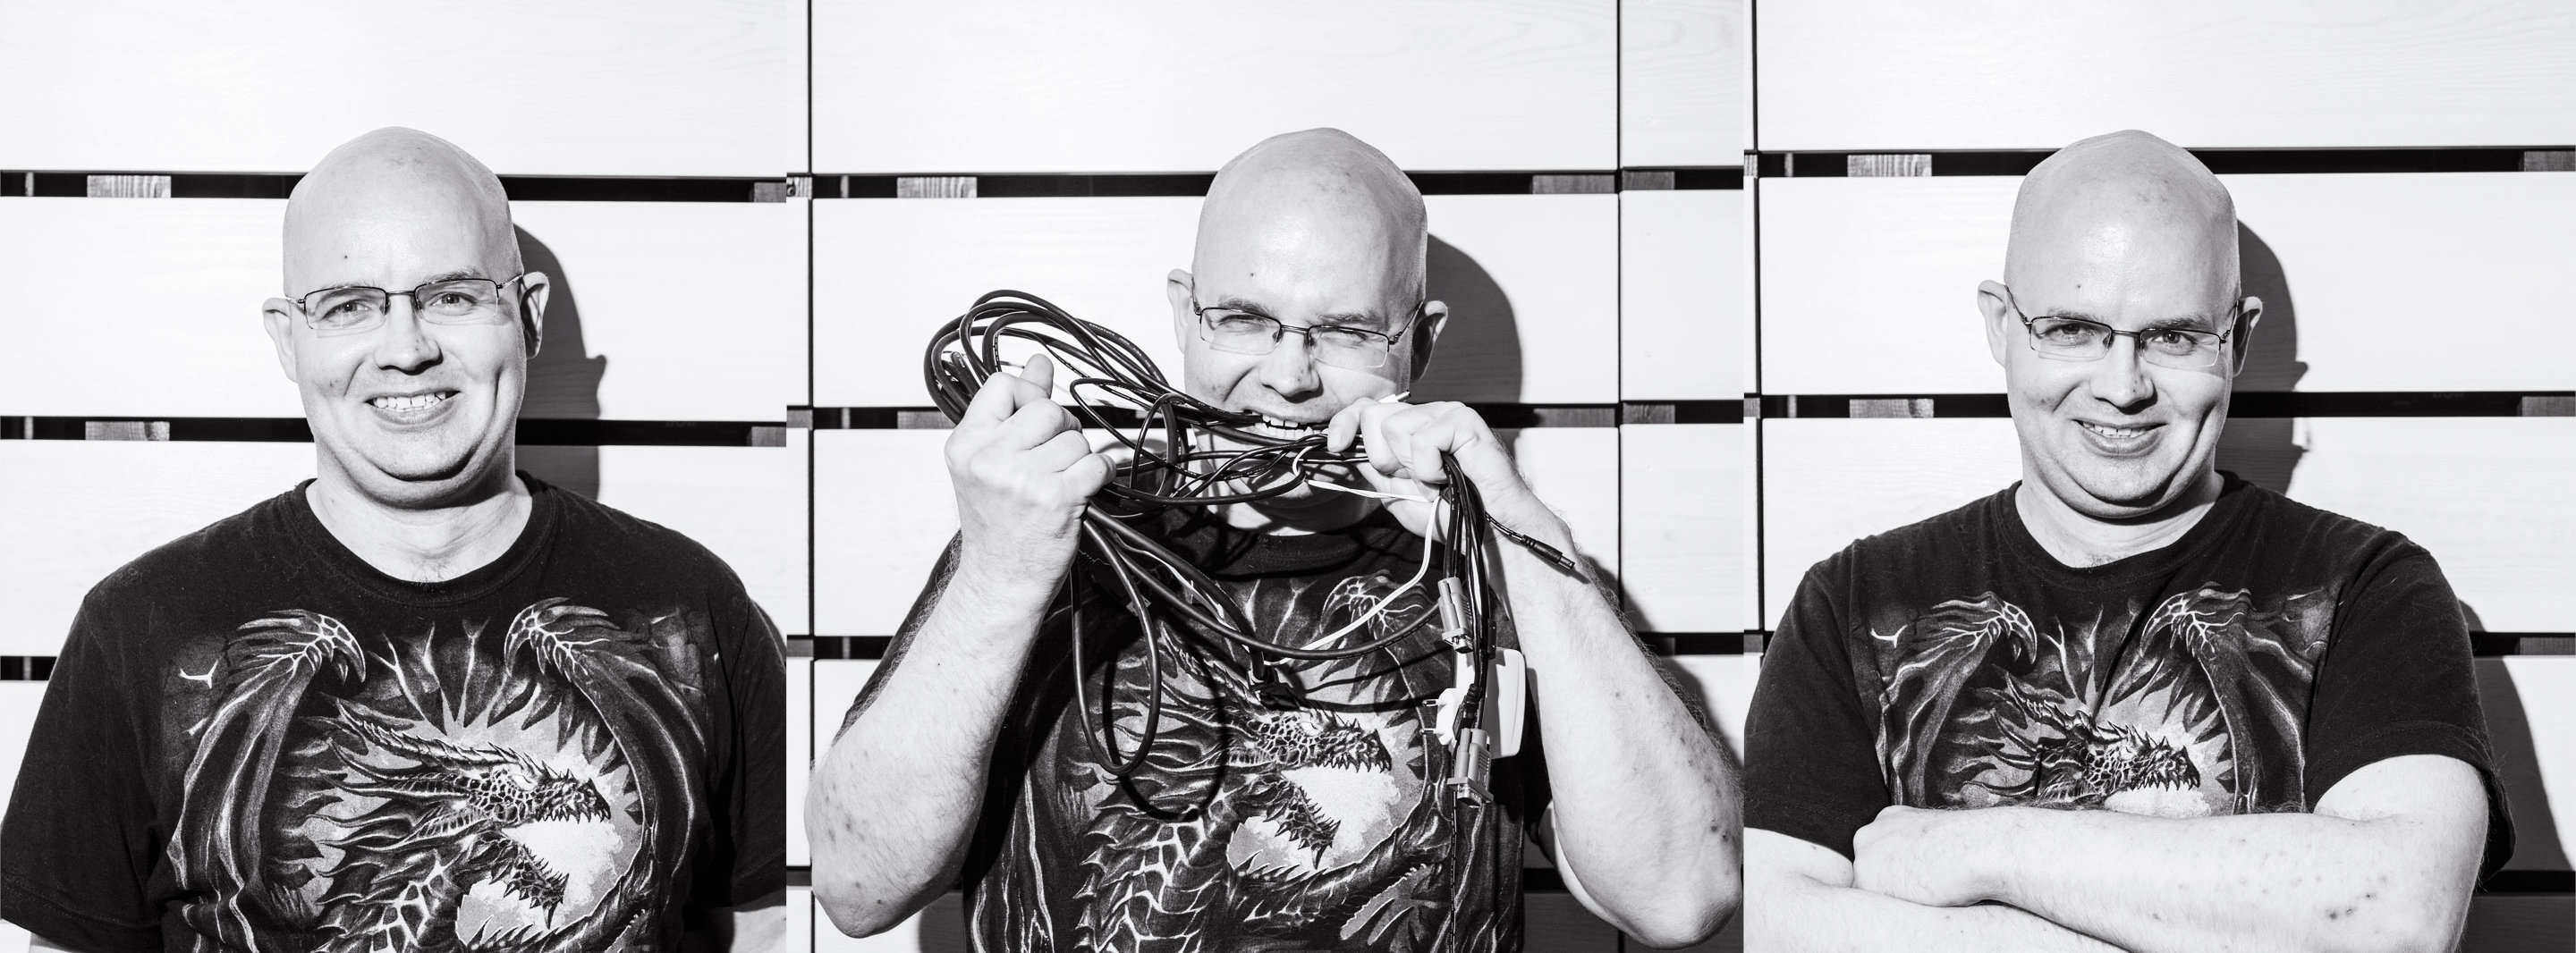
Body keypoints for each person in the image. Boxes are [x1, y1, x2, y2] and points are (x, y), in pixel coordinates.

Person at [808, 128, 1740, 950]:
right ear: (1184, 315)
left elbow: (1682, 897)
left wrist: (1522, 547)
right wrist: (1000, 578)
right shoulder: (1042, 537)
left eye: (1345, 332)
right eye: (1244, 320)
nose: (1289, 377)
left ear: (1418, 344)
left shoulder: (1497, 562)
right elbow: (857, 887)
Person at [0, 128, 785, 953]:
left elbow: (764, 929)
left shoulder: (690, 611)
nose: (407, 350)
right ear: (287, 338)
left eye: (453, 296)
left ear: (526, 315)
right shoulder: (143, 626)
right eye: (348, 306)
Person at [1742, 130, 2512, 951]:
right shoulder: (1856, 604)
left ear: (2237, 342)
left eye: (2173, 337)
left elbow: (2395, 918)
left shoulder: (2367, 589)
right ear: (2001, 326)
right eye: (2072, 329)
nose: (2123, 387)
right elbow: (1782, 927)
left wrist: (1979, 850)